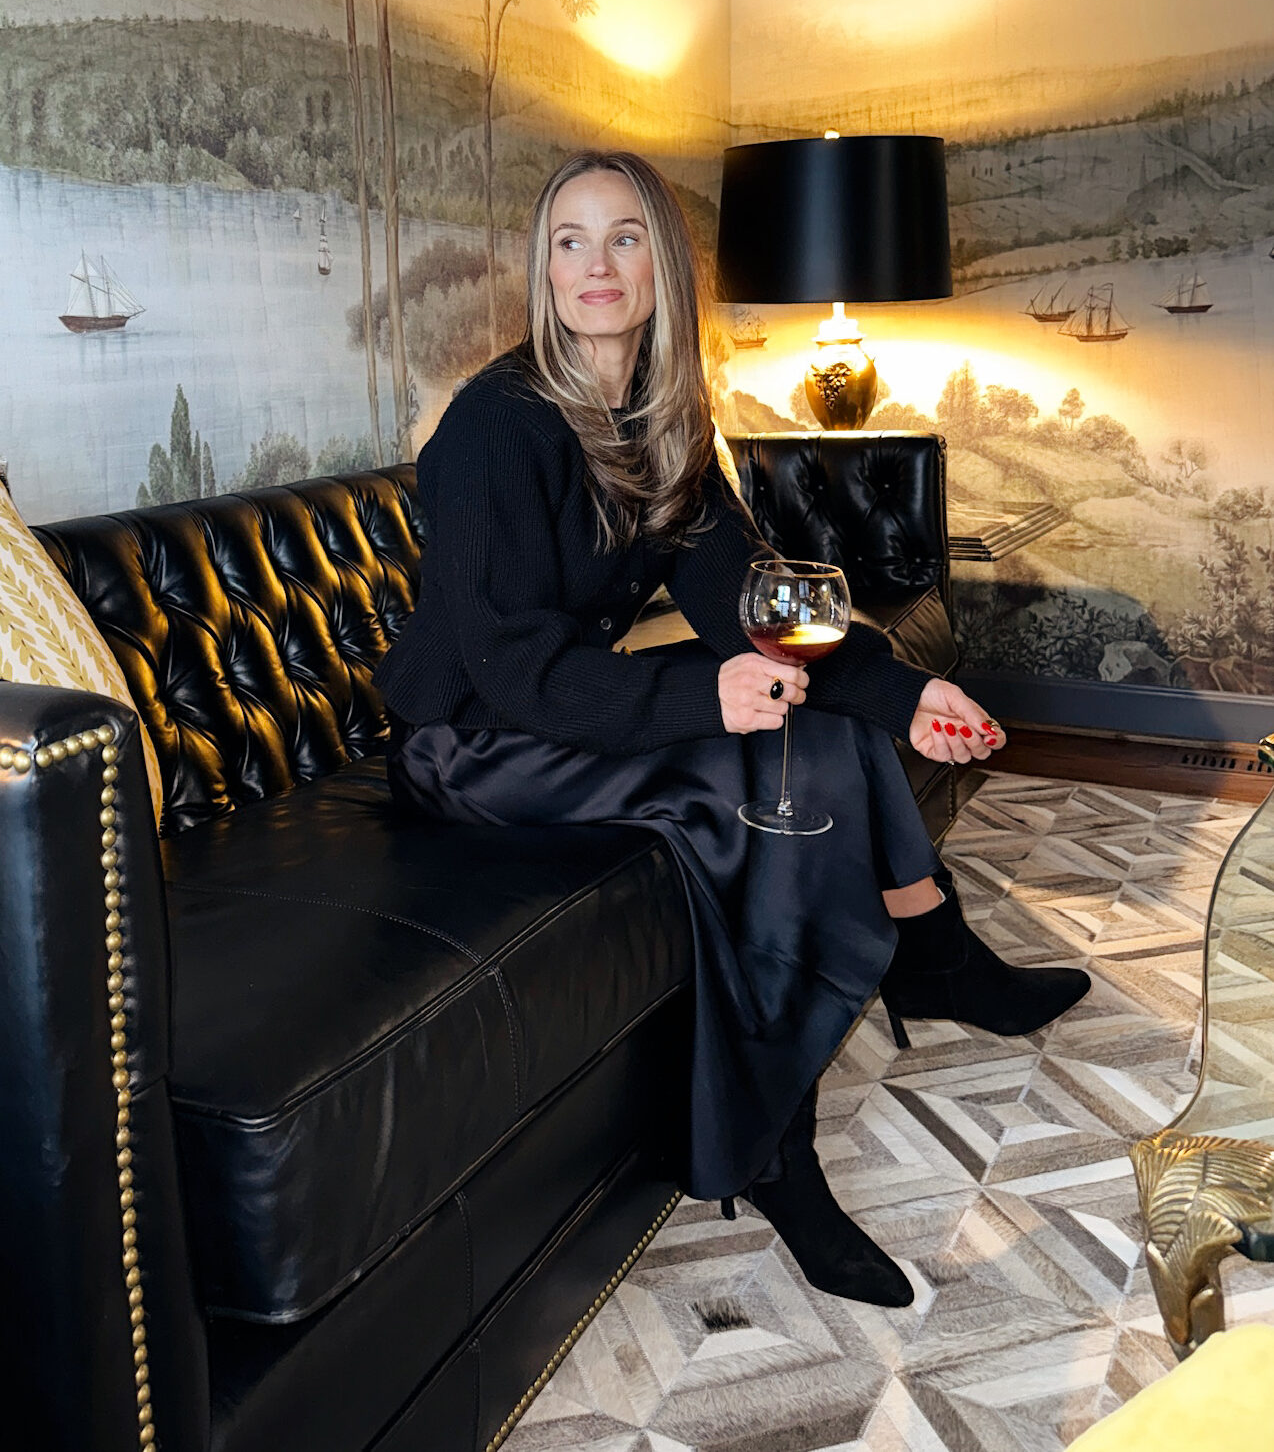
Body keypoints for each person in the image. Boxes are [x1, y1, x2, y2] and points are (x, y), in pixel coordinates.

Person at [375, 150, 1089, 1308]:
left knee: (835, 734)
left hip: (558, 708)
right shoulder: (492, 427)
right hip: (466, 747)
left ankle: (932, 953)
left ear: (660, 264)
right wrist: (692, 697)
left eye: (620, 238)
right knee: (769, 781)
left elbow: (756, 600)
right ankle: (777, 1151)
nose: (592, 265)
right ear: (539, 267)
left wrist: (905, 693)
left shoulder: (660, 422)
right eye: (567, 239)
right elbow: (507, 670)